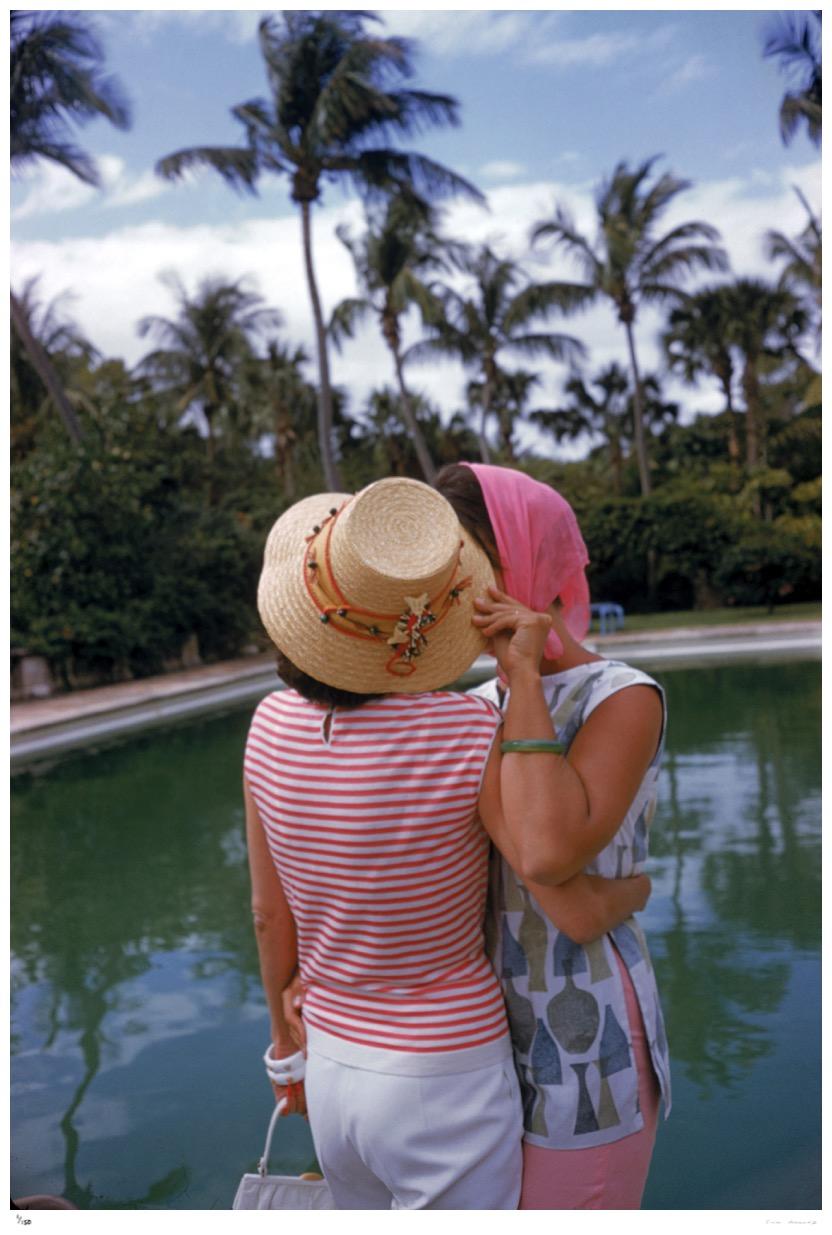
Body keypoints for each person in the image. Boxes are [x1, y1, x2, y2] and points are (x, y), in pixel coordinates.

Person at [243, 476, 650, 1210]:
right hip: (446, 1068)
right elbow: (556, 877)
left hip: (337, 1061)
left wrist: (287, 1049)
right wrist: (637, 890)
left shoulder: (268, 725)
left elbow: (271, 914)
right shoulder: (466, 727)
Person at [434, 462, 671, 1210]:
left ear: (519, 561)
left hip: (584, 1037)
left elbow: (544, 850)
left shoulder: (622, 696)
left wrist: (528, 680)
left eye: (465, 565)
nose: (450, 592)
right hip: (476, 1049)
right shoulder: (471, 703)